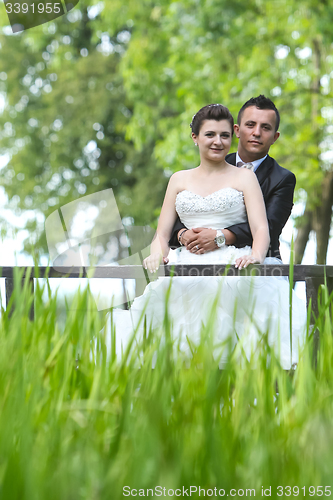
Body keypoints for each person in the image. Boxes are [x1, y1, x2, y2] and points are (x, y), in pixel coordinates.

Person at [107, 104, 306, 369]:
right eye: (210, 134)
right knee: (172, 342)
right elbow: (163, 231)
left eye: (224, 135)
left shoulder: (250, 178)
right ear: (195, 137)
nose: (218, 141)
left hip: (234, 267)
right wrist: (160, 251)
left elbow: (263, 228)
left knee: (239, 344)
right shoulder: (179, 179)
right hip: (187, 265)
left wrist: (253, 253)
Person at [168, 95, 295, 262]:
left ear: (275, 137)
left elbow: (270, 228)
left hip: (253, 264)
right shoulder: (213, 162)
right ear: (237, 130)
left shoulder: (283, 179)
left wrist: (220, 237)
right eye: (250, 125)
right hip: (195, 260)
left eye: (265, 128)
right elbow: (178, 216)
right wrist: (182, 234)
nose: (256, 133)